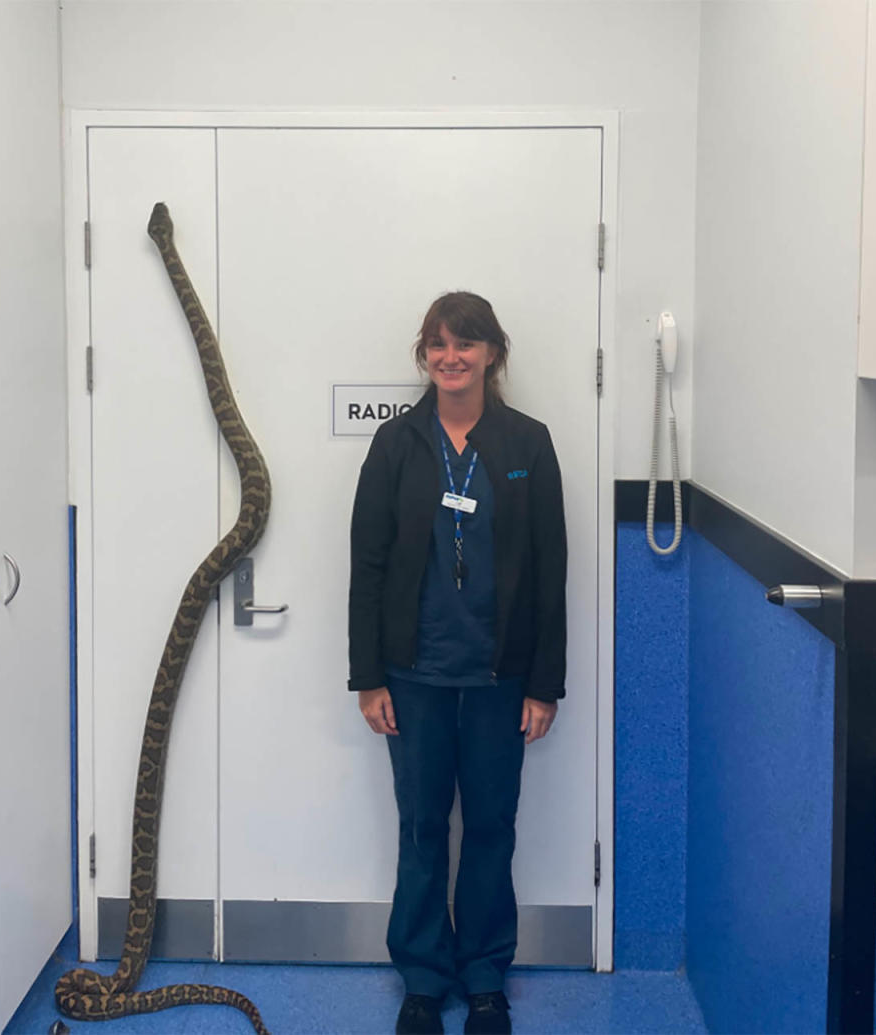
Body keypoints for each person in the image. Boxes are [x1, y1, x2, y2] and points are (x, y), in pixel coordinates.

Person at [348, 292, 567, 1035]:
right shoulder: (397, 444)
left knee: (492, 826)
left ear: (492, 354)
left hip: (502, 675)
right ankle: (421, 978)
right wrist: (367, 675)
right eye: (437, 345)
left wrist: (545, 683)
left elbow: (549, 569)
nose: (450, 357)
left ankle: (482, 979)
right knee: (420, 827)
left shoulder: (528, 444)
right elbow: (367, 565)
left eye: (465, 345)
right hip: (414, 674)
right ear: (425, 356)